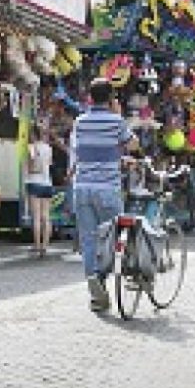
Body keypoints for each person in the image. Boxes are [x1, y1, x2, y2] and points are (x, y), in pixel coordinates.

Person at [71, 78, 136, 312]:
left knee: (88, 238)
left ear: (90, 97)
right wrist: (120, 116)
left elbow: (84, 152)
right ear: (110, 99)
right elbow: (134, 144)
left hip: (82, 188)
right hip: (107, 187)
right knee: (116, 236)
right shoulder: (116, 121)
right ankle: (107, 274)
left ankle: (94, 285)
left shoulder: (79, 122)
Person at [25, 126, 54, 257]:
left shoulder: (31, 148)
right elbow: (48, 164)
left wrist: (29, 168)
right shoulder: (49, 148)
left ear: (33, 135)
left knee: (36, 217)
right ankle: (45, 245)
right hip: (47, 183)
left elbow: (32, 168)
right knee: (46, 216)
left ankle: (36, 245)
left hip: (34, 182)